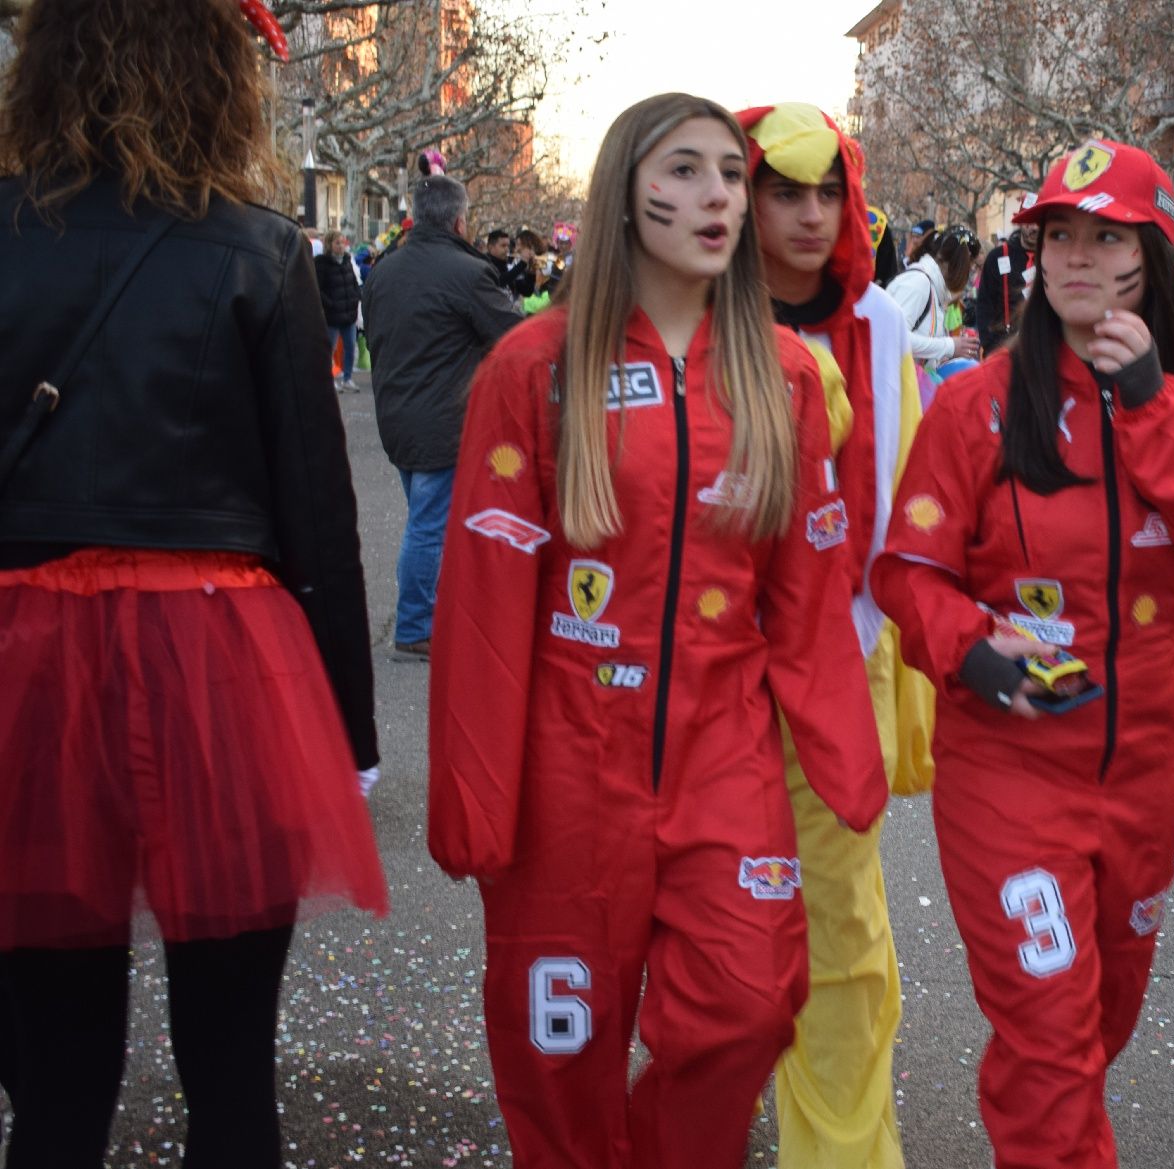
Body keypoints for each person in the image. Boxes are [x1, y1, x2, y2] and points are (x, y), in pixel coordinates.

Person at [426, 93, 888, 1169]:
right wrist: (476, 791)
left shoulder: (780, 375)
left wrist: (844, 755)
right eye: (683, 171)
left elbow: (809, 592)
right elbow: (485, 600)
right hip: (565, 769)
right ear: (625, 192)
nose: (716, 196)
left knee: (746, 1006)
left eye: (730, 174)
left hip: (723, 757)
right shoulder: (533, 368)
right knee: (559, 1048)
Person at [0, 1, 388, 1164]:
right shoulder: (258, 247)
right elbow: (316, 515)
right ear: (216, 73)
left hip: (24, 660)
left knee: (56, 1091)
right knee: (231, 1076)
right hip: (219, 659)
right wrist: (348, 729)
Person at [869, 140, 1174, 1169]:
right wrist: (973, 650)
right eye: (1058, 233)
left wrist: (1151, 405)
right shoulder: (975, 402)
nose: (1075, 255)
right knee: (1049, 1038)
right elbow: (905, 571)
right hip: (1007, 775)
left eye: (1104, 234)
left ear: (1148, 253)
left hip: (1147, 767)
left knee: (1096, 1022)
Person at [735, 101, 934, 1169]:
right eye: (783, 189)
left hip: (835, 667)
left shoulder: (883, 332)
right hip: (696, 680)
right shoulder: (679, 320)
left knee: (841, 928)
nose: (810, 215)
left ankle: (844, 1154)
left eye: (827, 191)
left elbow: (904, 509)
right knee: (703, 935)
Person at [361, 172, 522, 658]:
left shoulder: (386, 269)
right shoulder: (466, 272)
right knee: (431, 526)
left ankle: (432, 614)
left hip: (399, 414)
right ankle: (414, 627)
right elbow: (514, 338)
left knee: (428, 521)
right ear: (459, 220)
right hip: (443, 418)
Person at [886, 225, 981, 372]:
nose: (970, 272)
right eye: (971, 266)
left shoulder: (933, 288)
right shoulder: (919, 282)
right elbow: (895, 336)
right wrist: (949, 346)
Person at [976, 220, 1039, 354]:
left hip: (1040, 350)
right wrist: (990, 345)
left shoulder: (1052, 257)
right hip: (1001, 349)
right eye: (1030, 221)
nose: (1034, 227)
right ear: (1021, 222)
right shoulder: (997, 257)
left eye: (1039, 221)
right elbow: (984, 304)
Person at [315, 230, 363, 391]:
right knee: (330, 348)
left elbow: (353, 282)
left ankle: (347, 378)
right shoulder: (321, 263)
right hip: (332, 315)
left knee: (350, 347)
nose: (341, 246)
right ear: (329, 245)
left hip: (349, 313)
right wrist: (330, 303)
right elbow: (317, 288)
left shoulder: (348, 261)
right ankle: (329, 379)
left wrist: (356, 296)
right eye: (337, 243)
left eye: (343, 242)